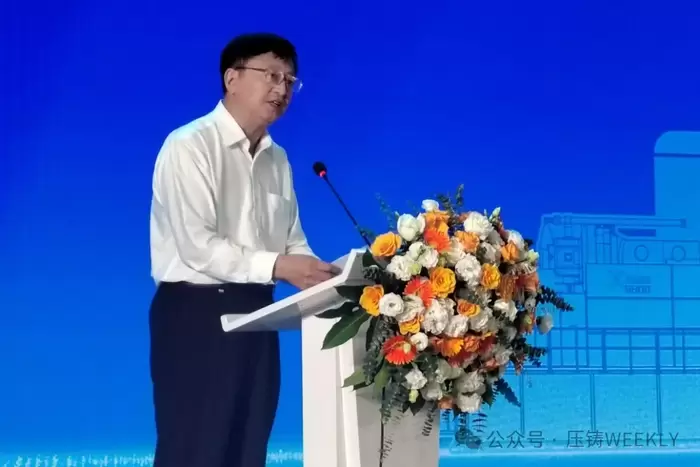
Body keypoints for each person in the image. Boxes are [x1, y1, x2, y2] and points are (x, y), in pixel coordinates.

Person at [148, 32, 340, 467]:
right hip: (195, 315)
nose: (282, 89)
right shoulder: (189, 145)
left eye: (290, 80)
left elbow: (292, 241)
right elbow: (198, 246)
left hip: (258, 313)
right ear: (231, 78)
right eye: (271, 75)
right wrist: (281, 266)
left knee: (247, 448)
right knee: (195, 448)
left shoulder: (278, 159)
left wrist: (333, 278)